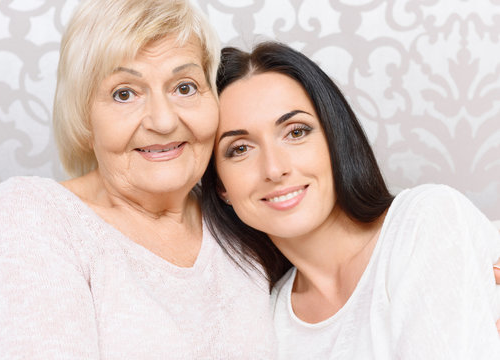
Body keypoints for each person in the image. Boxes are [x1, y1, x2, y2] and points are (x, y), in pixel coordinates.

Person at [0, 1, 276, 358]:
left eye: (184, 87)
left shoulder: (244, 221)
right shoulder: (32, 216)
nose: (163, 121)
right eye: (124, 93)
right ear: (84, 119)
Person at [201, 42, 500, 358]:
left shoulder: (426, 221)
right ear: (222, 187)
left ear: (334, 139)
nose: (274, 169)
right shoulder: (264, 326)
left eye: (296, 132)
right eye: (240, 149)